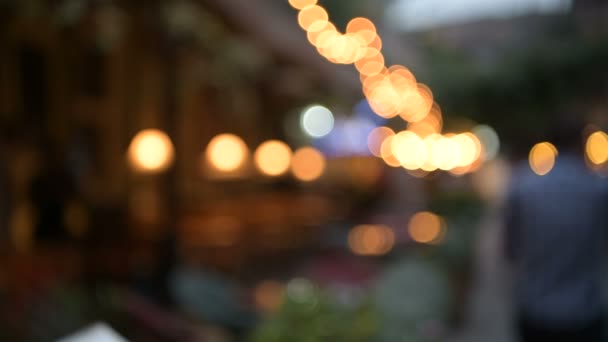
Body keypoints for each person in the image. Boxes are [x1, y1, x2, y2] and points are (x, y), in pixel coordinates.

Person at [504, 117, 608, 341]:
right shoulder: (598, 189)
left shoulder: (523, 186)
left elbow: (510, 250)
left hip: (535, 309)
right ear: (582, 142)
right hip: (585, 311)